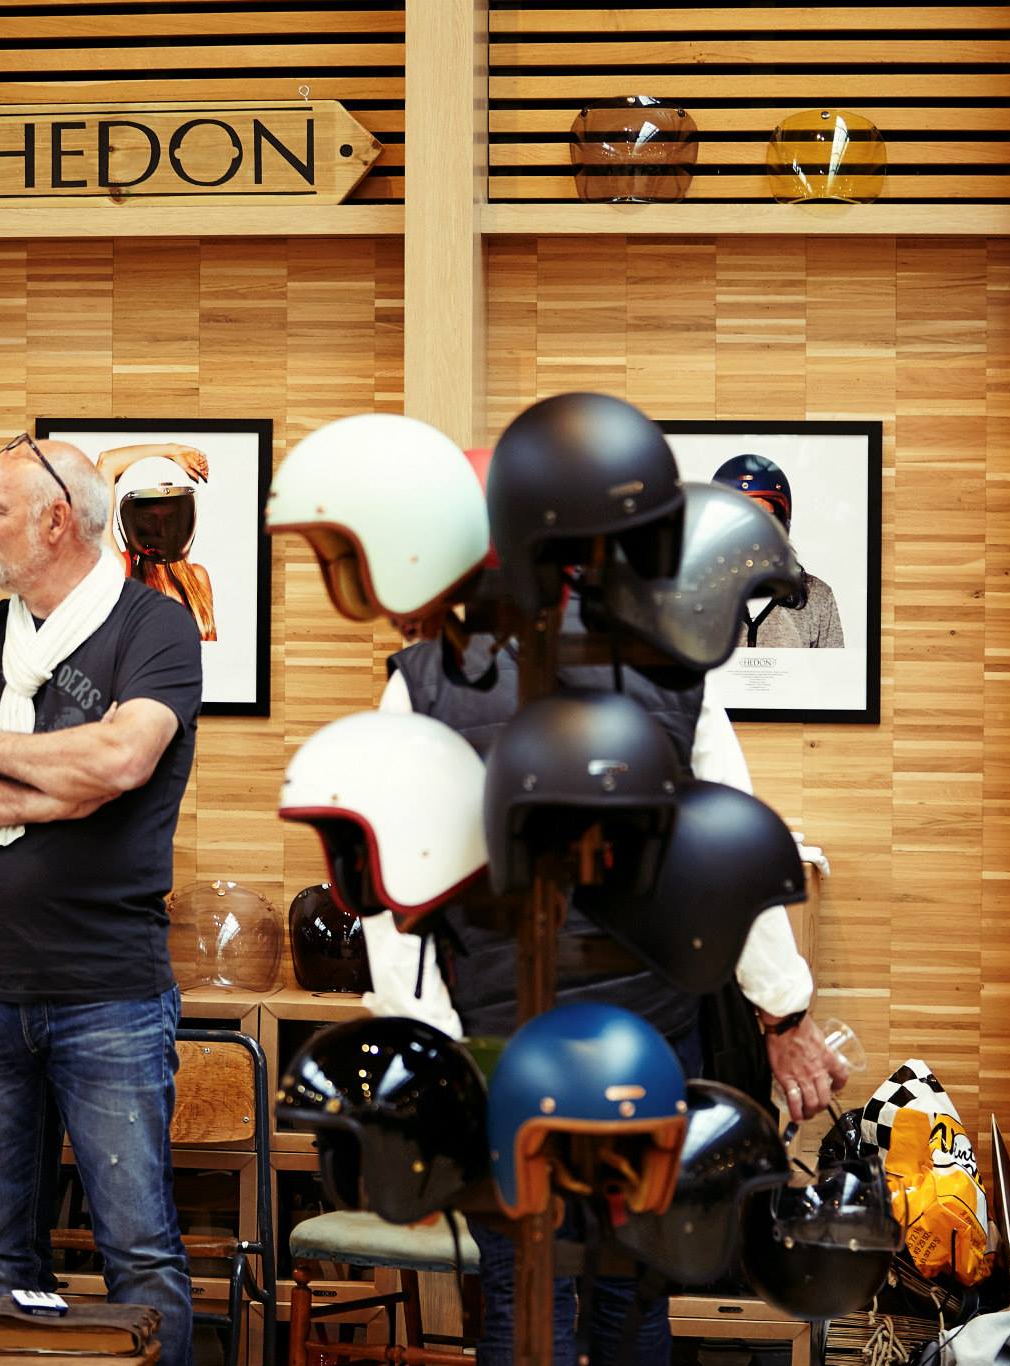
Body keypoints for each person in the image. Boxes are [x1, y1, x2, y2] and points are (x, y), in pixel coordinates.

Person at [371, 626, 848, 1366]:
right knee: (632, 1288)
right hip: (648, 1037)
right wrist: (782, 1013)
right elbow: (734, 855)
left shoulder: (424, 682)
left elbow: (392, 886)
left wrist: (434, 1050)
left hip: (501, 1044)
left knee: (523, 1291)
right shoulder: (676, 671)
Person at [0, 435, 204, 1366]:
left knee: (137, 1252)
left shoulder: (155, 629)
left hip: (109, 992)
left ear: (56, 520)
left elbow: (122, 757)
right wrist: (57, 791)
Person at [712, 454, 844, 648]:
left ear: (781, 522)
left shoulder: (817, 597)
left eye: (763, 516)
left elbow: (834, 668)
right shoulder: (693, 598)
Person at [97, 441, 218, 640]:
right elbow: (107, 463)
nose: (161, 529)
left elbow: (211, 652)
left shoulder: (197, 578)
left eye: (169, 519)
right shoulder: (122, 572)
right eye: (149, 519)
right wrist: (172, 451)